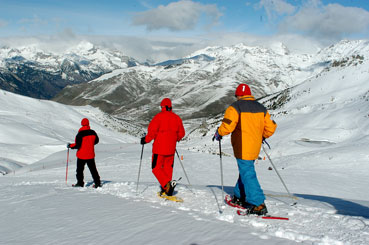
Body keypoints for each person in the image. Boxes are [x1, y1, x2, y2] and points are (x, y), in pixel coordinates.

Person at [214, 83, 277, 215]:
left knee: (248, 173)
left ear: (238, 95)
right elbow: (270, 128)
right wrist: (262, 136)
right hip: (255, 146)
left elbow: (228, 126)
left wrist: (219, 133)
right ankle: (239, 196)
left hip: (242, 146)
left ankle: (258, 204)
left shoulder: (235, 107)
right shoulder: (261, 108)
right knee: (246, 170)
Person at [141, 98, 185, 196]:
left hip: (159, 149)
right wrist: (174, 138)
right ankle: (167, 190)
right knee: (167, 169)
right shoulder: (176, 118)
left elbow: (152, 133)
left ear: (162, 107)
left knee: (155, 168)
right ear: (170, 107)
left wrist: (145, 140)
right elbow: (182, 133)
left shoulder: (158, 117)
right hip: (171, 149)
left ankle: (166, 185)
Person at [67, 118, 101, 188]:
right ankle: (98, 183)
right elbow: (96, 141)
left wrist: (70, 146)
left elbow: (77, 145)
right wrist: (90, 144)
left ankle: (80, 183)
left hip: (81, 155)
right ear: (88, 123)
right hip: (90, 155)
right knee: (93, 170)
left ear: (82, 124)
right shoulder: (93, 132)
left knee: (79, 170)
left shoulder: (80, 134)